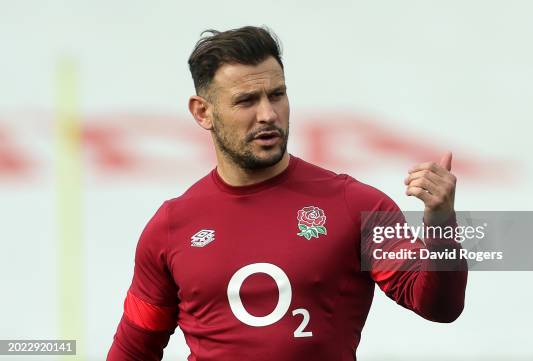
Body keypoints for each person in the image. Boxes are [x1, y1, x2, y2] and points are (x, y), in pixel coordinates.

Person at [107, 26, 467, 361]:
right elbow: (135, 348)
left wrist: (440, 224)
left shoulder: (354, 205)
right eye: (247, 101)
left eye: (276, 95)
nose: (268, 114)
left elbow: (438, 306)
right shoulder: (171, 226)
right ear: (203, 113)